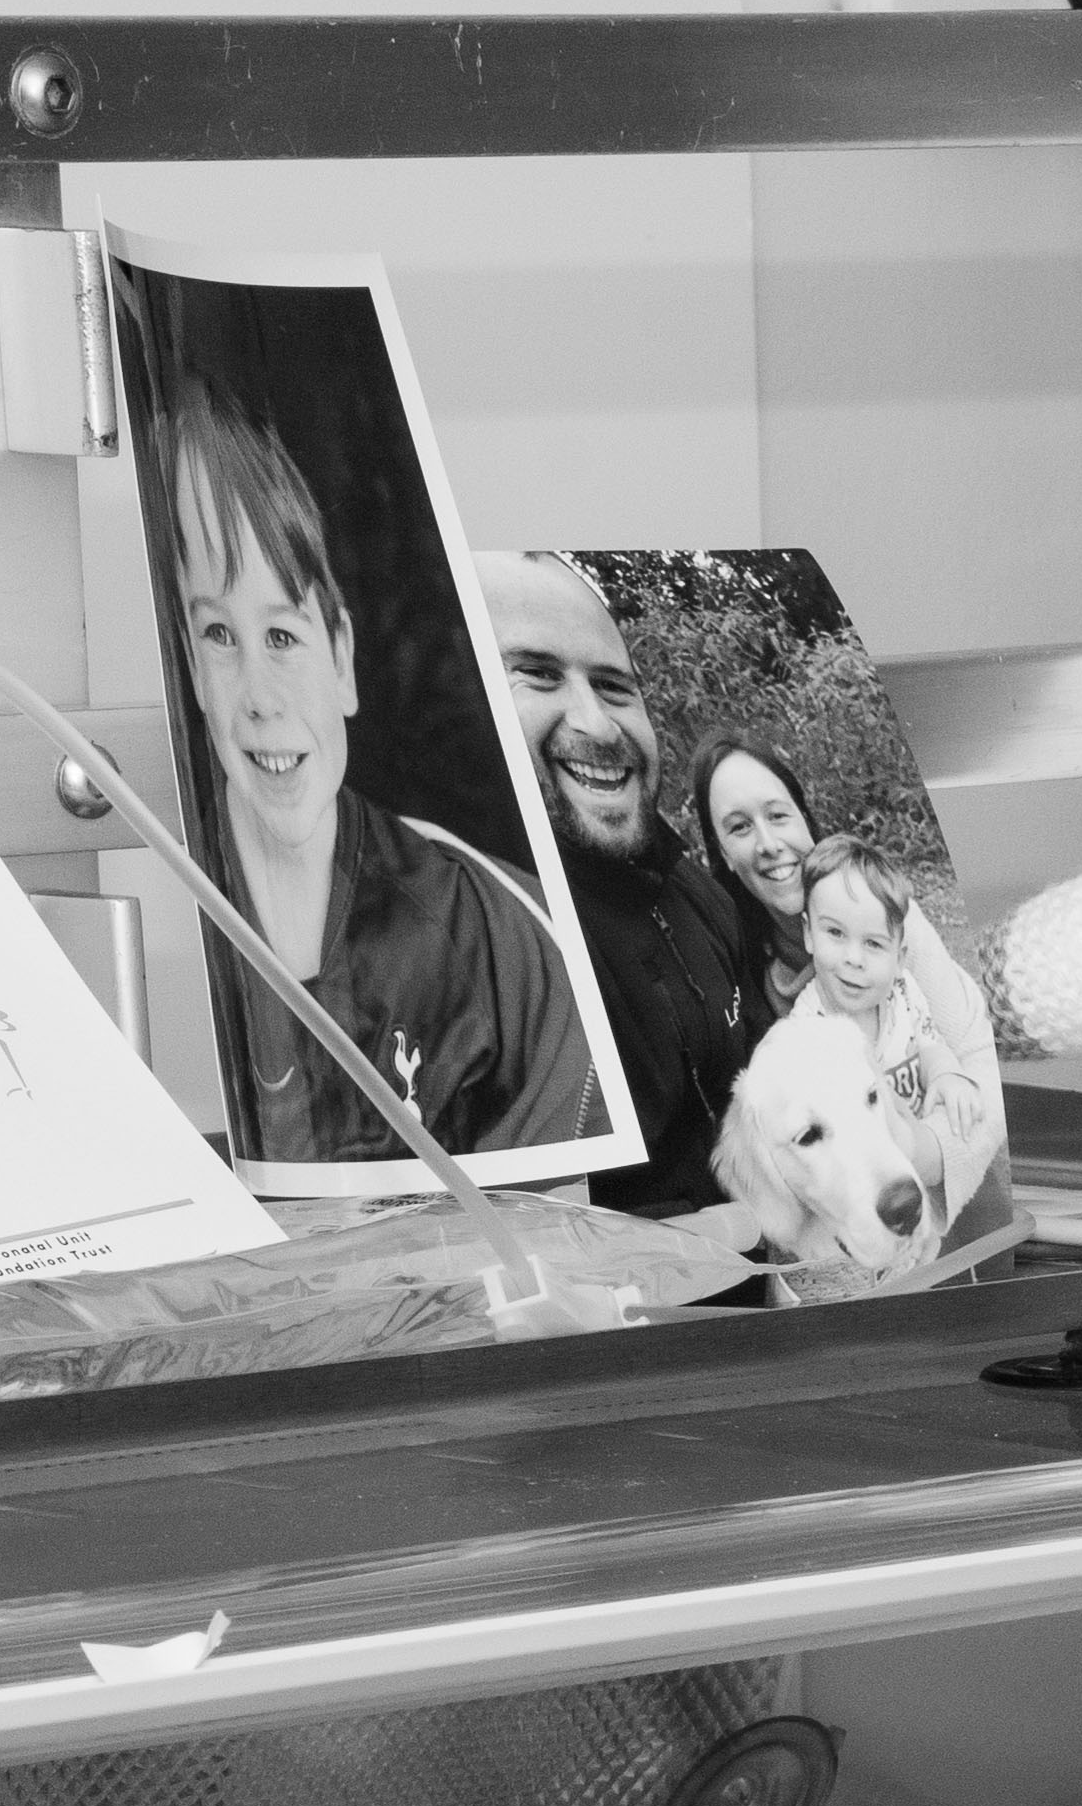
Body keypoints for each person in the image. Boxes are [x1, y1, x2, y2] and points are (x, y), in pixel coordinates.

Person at [161, 400, 598, 1170]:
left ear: (342, 657)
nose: (259, 697)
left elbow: (562, 1230)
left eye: (283, 636)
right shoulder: (157, 936)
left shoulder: (494, 928)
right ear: (192, 669)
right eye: (220, 636)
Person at [486, 551, 756, 1210]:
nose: (597, 724)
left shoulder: (701, 895)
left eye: (613, 687)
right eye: (538, 675)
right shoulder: (475, 945)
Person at [795, 848, 1009, 1211]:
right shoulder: (808, 1030)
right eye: (834, 933)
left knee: (983, 1207)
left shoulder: (903, 993)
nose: (853, 958)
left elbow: (930, 1044)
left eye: (874, 944)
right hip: (869, 1184)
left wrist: (946, 1074)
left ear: (900, 958)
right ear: (808, 934)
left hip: (924, 1159)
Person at [696, 733, 834, 1002]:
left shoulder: (885, 914)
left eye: (778, 816)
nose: (768, 845)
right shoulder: (742, 979)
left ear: (804, 818)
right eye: (740, 827)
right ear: (724, 853)